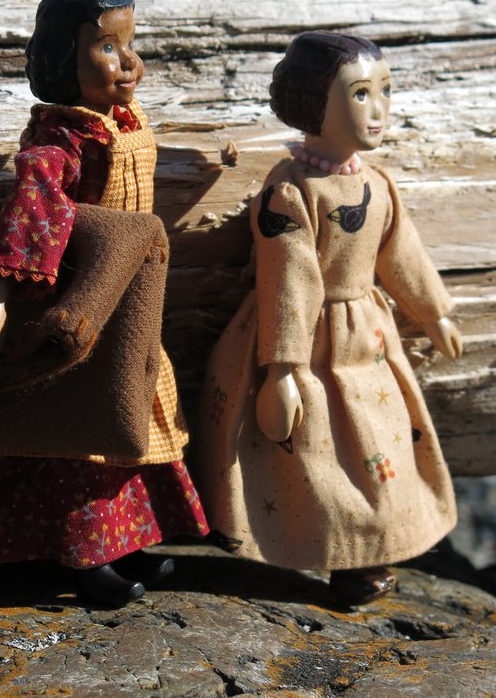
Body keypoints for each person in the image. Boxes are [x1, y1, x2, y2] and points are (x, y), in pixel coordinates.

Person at [0, 0, 208, 607]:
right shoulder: (59, 144)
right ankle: (84, 555)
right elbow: (32, 212)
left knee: (132, 417)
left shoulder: (120, 121)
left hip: (128, 298)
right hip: (74, 294)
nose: (127, 61)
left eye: (129, 44)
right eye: (107, 48)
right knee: (76, 425)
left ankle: (124, 541)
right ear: (64, 61)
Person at [192, 31, 463, 606]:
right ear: (314, 103)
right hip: (301, 337)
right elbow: (288, 277)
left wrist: (434, 312)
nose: (379, 108)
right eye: (361, 94)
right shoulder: (291, 190)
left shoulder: (377, 185)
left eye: (385, 91)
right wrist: (282, 369)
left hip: (366, 335)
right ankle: (331, 555)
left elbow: (401, 254)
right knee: (312, 454)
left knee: (379, 443)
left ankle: (371, 551)